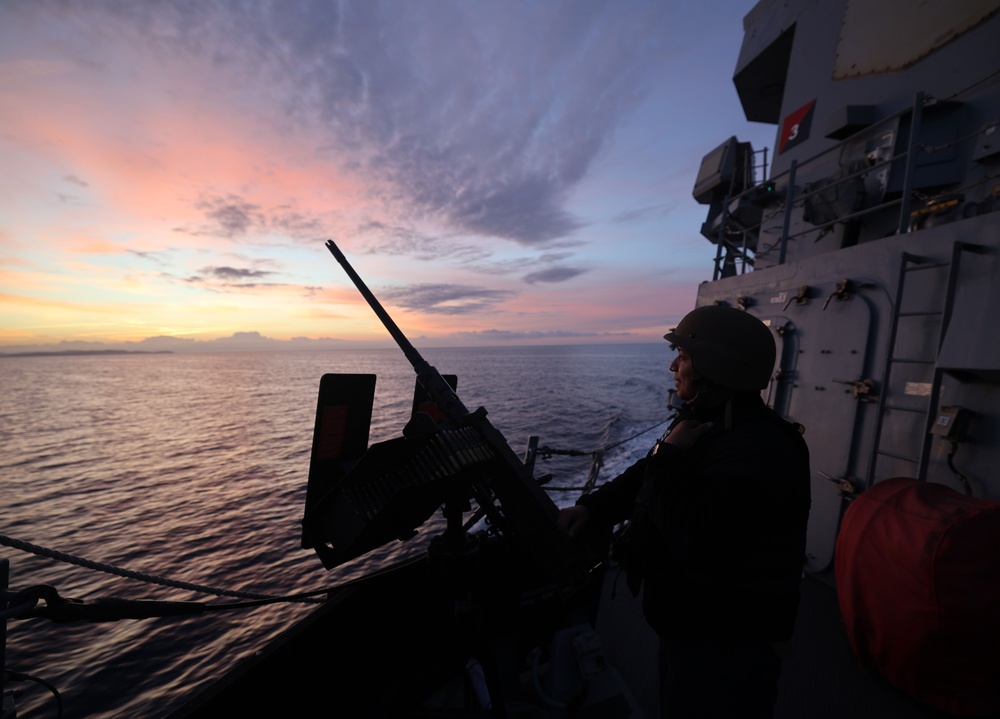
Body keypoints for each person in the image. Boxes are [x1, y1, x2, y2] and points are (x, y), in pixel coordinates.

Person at [557, 304, 810, 718]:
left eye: (685, 357)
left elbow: (690, 531)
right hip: (692, 625)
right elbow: (649, 471)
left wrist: (671, 457)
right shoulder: (712, 423)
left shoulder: (762, 449)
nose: (674, 365)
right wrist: (592, 507)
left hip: (728, 641)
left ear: (717, 369)